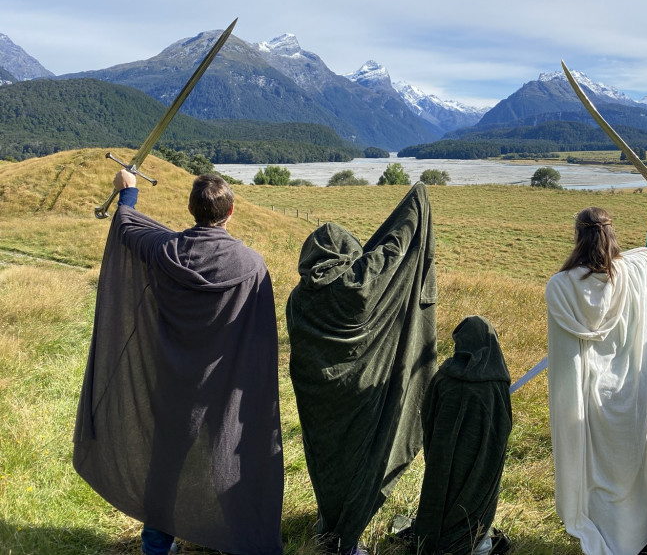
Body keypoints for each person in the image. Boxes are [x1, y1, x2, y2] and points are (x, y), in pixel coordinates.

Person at [74, 170, 284, 555]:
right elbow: (259, 334)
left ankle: (156, 545)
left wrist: (129, 193)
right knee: (226, 457)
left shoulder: (164, 250)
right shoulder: (252, 266)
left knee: (165, 463)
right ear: (231, 211)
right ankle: (233, 538)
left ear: (190, 209)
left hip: (170, 383)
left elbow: (128, 229)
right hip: (223, 385)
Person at [287, 182, 437, 555]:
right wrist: (417, 197)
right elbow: (394, 247)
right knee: (361, 456)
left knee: (326, 458)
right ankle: (347, 538)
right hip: (363, 390)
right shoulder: (362, 282)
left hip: (317, 396)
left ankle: (330, 523)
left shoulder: (299, 297)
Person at [545, 183, 647, 555]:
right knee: (627, 464)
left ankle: (600, 532)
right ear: (612, 234)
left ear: (578, 238)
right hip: (630, 390)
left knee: (594, 468)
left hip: (586, 396)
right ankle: (631, 536)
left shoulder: (560, 287)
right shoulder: (632, 273)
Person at [397, 315, 513, 555]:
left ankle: (437, 538)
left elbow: (427, 414)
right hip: (483, 459)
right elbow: (504, 424)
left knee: (441, 492)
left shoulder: (445, 377)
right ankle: (474, 544)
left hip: (443, 455)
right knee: (476, 494)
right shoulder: (497, 382)